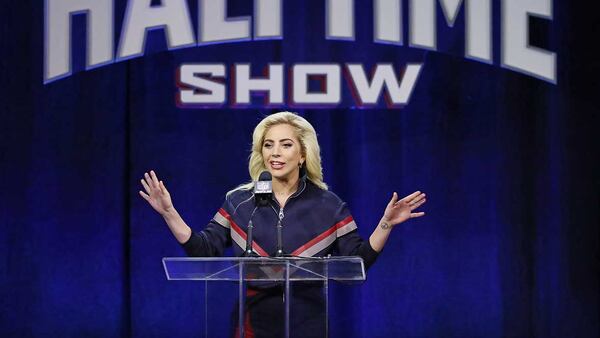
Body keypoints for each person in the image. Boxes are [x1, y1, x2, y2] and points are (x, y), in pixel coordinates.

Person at [139, 111, 426, 337]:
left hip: (307, 325)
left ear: (303, 155)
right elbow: (204, 252)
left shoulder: (330, 205)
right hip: (250, 325)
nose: (275, 152)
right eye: (268, 144)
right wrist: (169, 213)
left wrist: (386, 224)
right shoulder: (239, 202)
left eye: (286, 144)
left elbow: (357, 263)